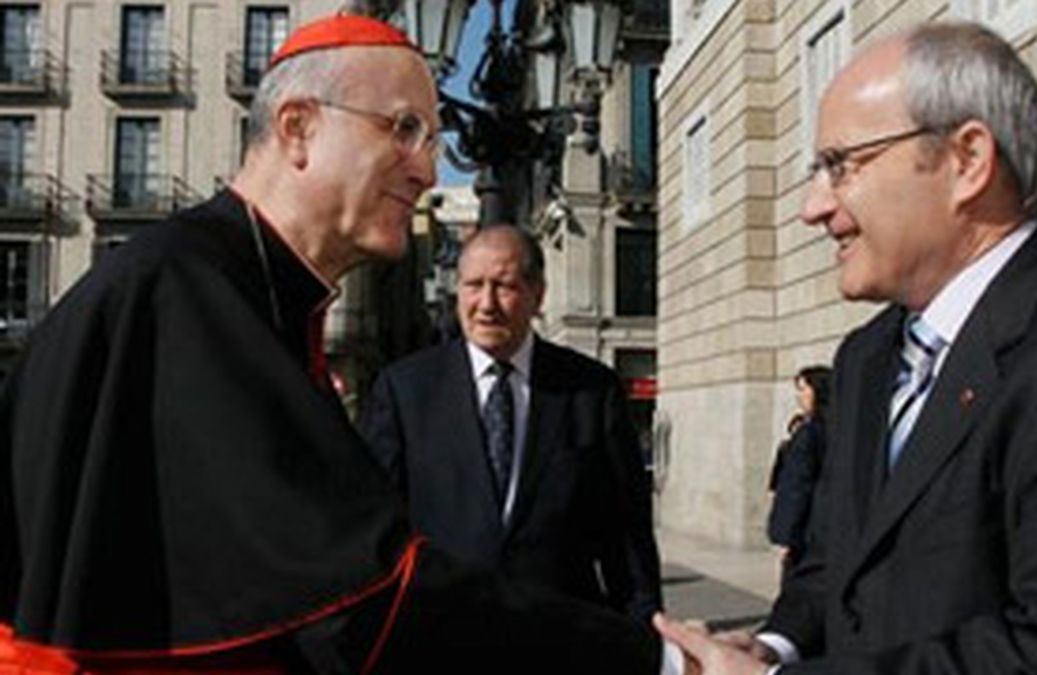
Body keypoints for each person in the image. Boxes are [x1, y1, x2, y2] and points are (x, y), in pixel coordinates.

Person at [0, 13, 662, 673]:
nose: (428, 169)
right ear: (298, 128)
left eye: (432, 138)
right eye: (403, 129)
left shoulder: (261, 295)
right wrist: (656, 661)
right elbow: (362, 597)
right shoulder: (189, 288)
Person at [655, 20, 1037, 675]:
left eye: (840, 164)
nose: (812, 207)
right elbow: (835, 568)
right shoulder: (867, 356)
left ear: (967, 159)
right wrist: (772, 644)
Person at [361, 224, 663, 625]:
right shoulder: (405, 390)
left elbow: (624, 533)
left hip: (561, 634)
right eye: (473, 285)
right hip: (440, 633)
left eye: (503, 286)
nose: (486, 304)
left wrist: (644, 636)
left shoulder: (590, 390)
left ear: (538, 294)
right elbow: (376, 523)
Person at [765, 365, 830, 572]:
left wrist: (786, 536)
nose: (799, 397)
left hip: (808, 534)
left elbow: (797, 487)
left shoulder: (808, 434)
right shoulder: (841, 429)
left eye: (803, 389)